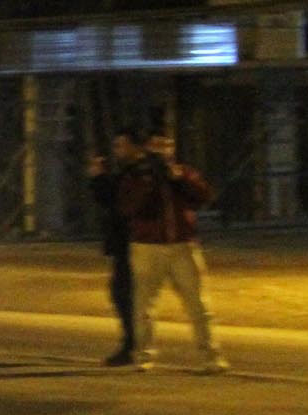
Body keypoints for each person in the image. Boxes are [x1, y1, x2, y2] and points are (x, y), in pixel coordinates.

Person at [115, 131, 227, 373]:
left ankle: (210, 356)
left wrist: (179, 180)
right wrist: (148, 182)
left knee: (198, 304)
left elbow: (204, 196)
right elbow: (128, 208)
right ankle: (143, 355)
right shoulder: (136, 174)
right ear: (147, 148)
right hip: (147, 247)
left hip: (182, 245)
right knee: (144, 305)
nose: (163, 150)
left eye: (167, 145)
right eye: (157, 145)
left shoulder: (181, 171)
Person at [88, 130, 142, 365]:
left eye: (121, 146)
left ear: (135, 147)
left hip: (135, 241)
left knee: (126, 293)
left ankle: (134, 345)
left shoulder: (137, 173)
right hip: (128, 242)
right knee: (125, 293)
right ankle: (134, 343)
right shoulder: (129, 172)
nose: (117, 151)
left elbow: (116, 200)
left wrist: (99, 177)